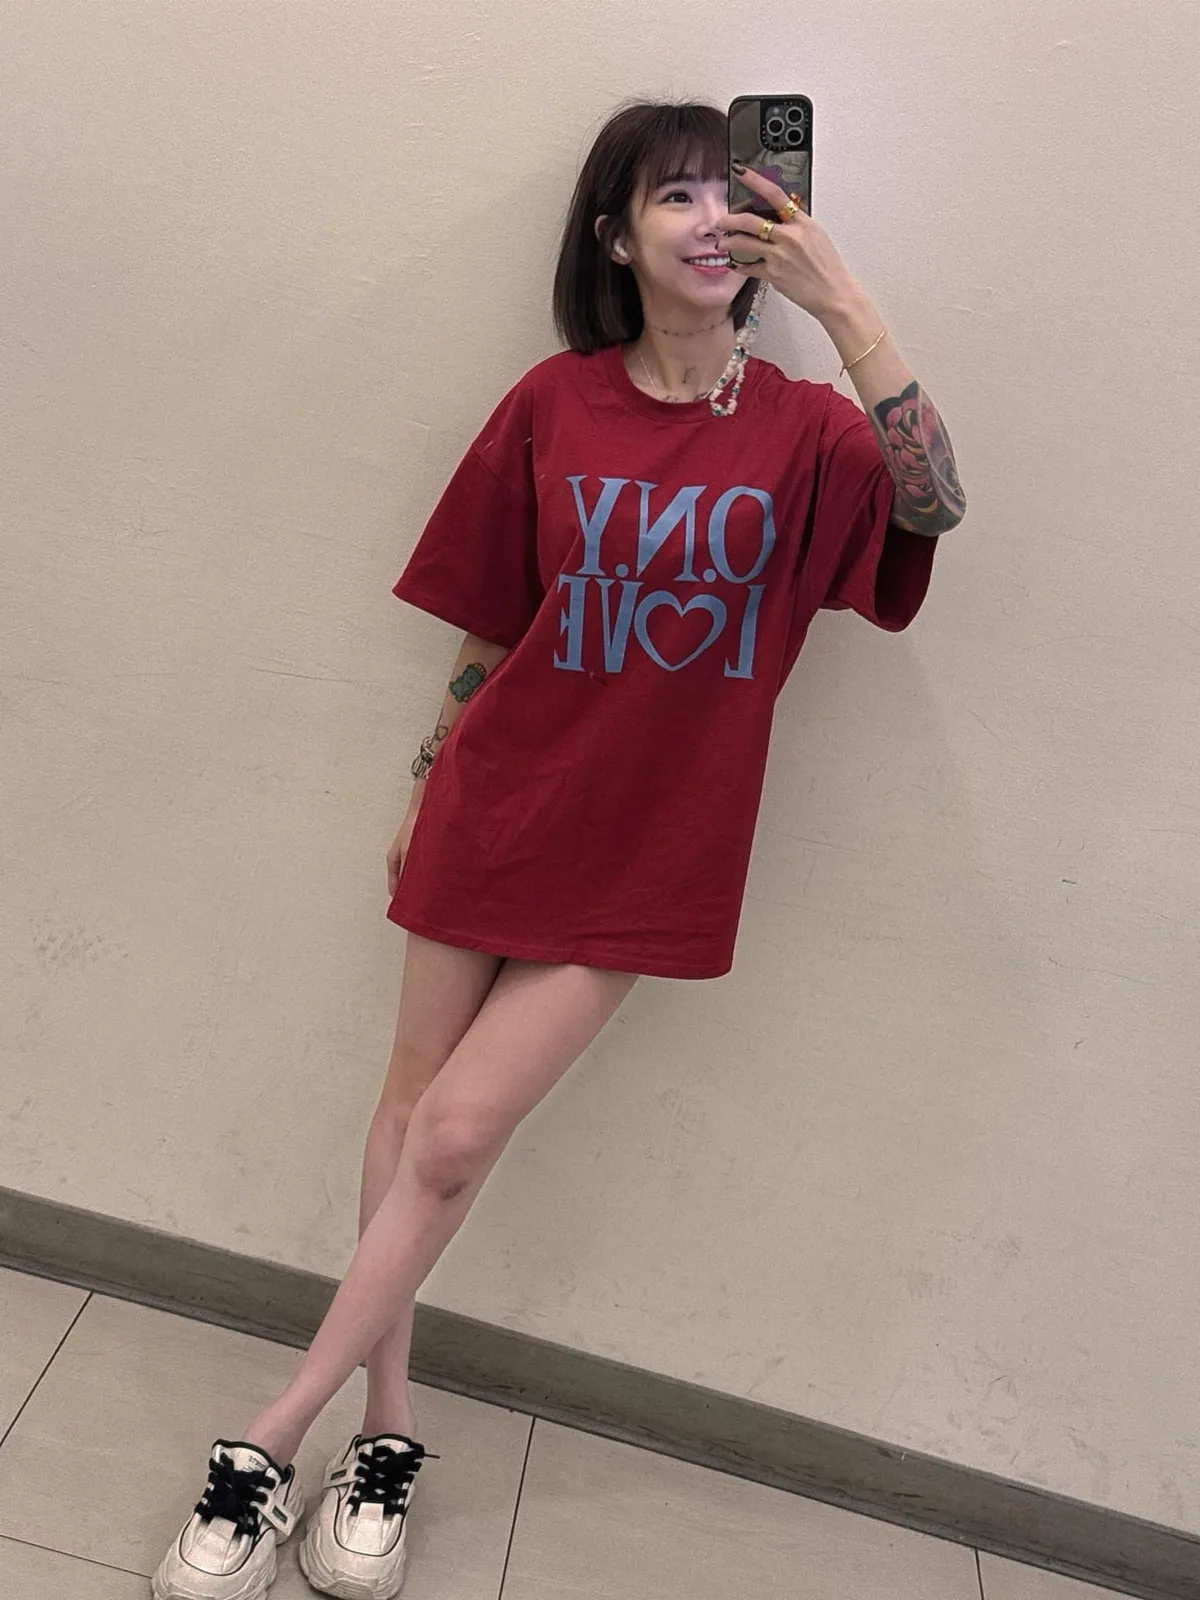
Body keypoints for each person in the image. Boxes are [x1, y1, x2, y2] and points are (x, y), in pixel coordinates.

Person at [153, 96, 966, 1600]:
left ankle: (271, 1435)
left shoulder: (808, 434)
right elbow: (494, 617)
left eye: (735, 194)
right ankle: (387, 1432)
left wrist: (841, 296)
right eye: (676, 196)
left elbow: (939, 504)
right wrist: (428, 774)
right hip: (500, 800)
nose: (713, 219)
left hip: (653, 844)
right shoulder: (551, 402)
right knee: (410, 1117)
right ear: (615, 238)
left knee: (458, 1135)